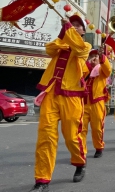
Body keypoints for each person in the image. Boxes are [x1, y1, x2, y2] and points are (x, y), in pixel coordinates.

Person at [29, 14, 91, 192]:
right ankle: (42, 180)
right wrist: (63, 34)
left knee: (72, 136)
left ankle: (80, 162)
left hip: (72, 97)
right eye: (73, 25)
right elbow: (49, 49)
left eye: (79, 26)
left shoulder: (84, 46)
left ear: (83, 32)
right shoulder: (61, 44)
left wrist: (69, 32)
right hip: (51, 94)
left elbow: (79, 49)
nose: (75, 27)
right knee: (46, 137)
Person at [81, 47, 112, 159]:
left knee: (97, 128)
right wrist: (88, 65)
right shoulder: (84, 68)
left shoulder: (102, 71)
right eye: (92, 56)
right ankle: (81, 152)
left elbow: (108, 69)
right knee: (81, 129)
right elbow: (79, 75)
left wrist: (102, 58)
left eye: (96, 56)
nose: (94, 58)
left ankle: (99, 147)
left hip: (97, 102)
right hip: (83, 102)